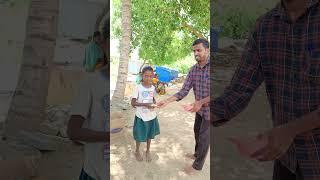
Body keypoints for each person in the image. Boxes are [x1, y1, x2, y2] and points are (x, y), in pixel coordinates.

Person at [211, 0, 320, 179]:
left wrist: (292, 129)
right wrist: (206, 112)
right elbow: (239, 89)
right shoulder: (265, 27)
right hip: (287, 160)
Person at [157, 38, 210, 175]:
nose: (196, 53)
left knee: (204, 137)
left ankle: (197, 167)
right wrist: (166, 101)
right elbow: (183, 91)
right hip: (200, 110)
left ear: (207, 50)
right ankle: (197, 154)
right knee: (197, 132)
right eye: (194, 51)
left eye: (199, 50)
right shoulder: (193, 70)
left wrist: (200, 102)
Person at [67, 57, 109, 180]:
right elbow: (73, 132)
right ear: (102, 41)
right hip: (95, 172)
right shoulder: (91, 81)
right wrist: (109, 136)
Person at [131, 66, 160, 163]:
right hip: (141, 117)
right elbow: (133, 103)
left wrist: (154, 104)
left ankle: (148, 151)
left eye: (150, 76)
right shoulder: (138, 87)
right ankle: (137, 151)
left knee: (149, 135)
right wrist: (146, 104)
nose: (148, 78)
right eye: (146, 76)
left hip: (151, 116)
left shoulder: (152, 87)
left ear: (153, 76)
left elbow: (153, 99)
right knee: (139, 135)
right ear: (141, 75)